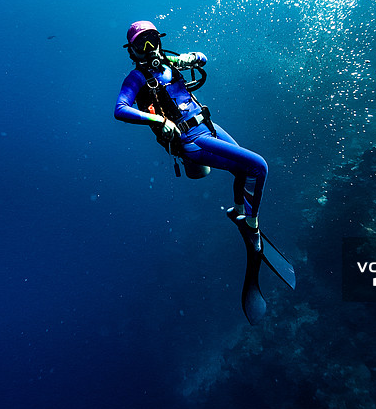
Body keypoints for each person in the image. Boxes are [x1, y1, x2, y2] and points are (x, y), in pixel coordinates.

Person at [114, 21, 267, 248]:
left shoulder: (170, 62)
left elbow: (203, 59)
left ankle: (238, 212)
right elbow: (120, 109)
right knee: (258, 166)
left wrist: (190, 57)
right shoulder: (136, 77)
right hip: (192, 141)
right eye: (141, 44)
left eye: (153, 40)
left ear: (160, 40)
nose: (149, 48)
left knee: (242, 168)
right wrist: (160, 119)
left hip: (208, 126)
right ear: (132, 50)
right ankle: (252, 226)